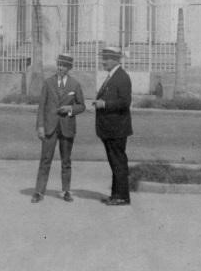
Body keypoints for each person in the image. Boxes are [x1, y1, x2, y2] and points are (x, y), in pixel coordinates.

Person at [31, 53, 85, 203]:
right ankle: (39, 192)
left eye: (64, 66)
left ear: (69, 68)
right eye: (59, 65)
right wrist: (40, 126)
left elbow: (82, 106)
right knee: (45, 159)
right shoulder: (48, 83)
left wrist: (70, 109)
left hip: (67, 128)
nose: (61, 68)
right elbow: (41, 106)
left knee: (66, 160)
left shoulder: (75, 84)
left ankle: (66, 190)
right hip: (50, 127)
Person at [92, 46, 133, 206]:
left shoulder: (121, 77)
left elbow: (125, 102)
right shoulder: (113, 76)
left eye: (106, 58)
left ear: (115, 60)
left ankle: (122, 197)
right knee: (115, 162)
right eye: (103, 58)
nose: (103, 62)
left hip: (117, 129)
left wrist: (105, 104)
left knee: (118, 163)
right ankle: (116, 195)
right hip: (110, 128)